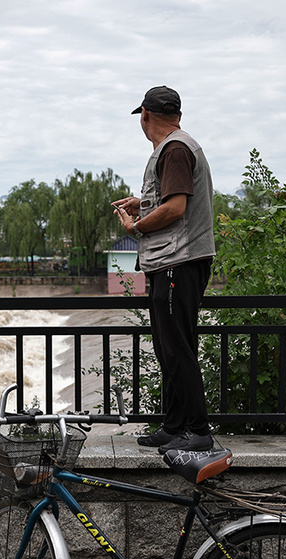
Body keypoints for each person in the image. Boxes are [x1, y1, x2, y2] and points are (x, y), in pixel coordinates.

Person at [112, 86, 216, 454]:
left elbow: (175, 209)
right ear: (178, 115)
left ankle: (199, 430)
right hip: (177, 263)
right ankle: (173, 426)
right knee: (170, 347)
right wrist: (145, 202)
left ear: (144, 115)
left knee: (176, 349)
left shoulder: (174, 149)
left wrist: (135, 226)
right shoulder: (177, 147)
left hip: (178, 262)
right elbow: (170, 198)